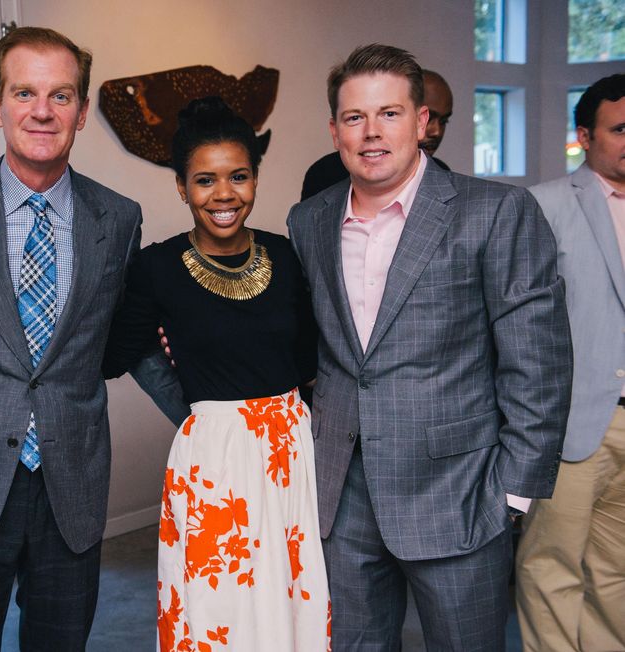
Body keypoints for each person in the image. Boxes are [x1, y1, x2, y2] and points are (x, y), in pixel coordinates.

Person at [287, 44, 572, 650]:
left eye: (389, 113)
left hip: (462, 493)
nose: (371, 132)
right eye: (354, 117)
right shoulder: (308, 220)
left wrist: (513, 493)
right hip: (342, 495)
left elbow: (538, 363)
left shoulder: (495, 212)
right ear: (334, 128)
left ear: (422, 122)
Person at [0, 27, 142, 650]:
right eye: (24, 92)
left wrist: (211, 410)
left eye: (60, 95)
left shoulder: (118, 217)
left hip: (71, 485)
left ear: (82, 110)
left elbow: (124, 332)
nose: (42, 110)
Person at [104, 96, 330, 651]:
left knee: (290, 594)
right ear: (182, 187)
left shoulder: (288, 254)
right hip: (213, 459)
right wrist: (193, 408)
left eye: (239, 177)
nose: (224, 195)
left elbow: (310, 360)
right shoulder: (156, 267)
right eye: (205, 180)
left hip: (291, 451)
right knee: (218, 606)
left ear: (255, 179)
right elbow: (116, 355)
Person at [516, 73, 625, 652]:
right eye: (621, 128)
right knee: (551, 566)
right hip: (572, 421)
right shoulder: (545, 204)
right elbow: (521, 327)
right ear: (585, 135)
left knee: (616, 575)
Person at [300, 68, 453, 201]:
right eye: (355, 118)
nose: (436, 132)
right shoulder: (325, 174)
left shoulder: (442, 176)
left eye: (444, 121)